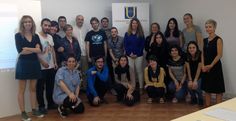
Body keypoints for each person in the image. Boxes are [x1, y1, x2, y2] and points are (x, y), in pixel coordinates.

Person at [15, 15, 44, 121]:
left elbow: (40, 50)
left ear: (32, 23)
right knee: (21, 90)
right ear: (22, 24)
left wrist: (27, 48)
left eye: (29, 21)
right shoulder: (18, 35)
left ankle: (34, 109)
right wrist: (34, 49)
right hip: (23, 64)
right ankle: (23, 112)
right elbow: (21, 51)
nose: (28, 23)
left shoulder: (35, 36)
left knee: (33, 89)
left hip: (34, 63)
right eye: (25, 22)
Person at [201, 19, 225, 107]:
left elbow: (219, 55)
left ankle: (218, 108)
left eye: (210, 27)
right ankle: (207, 107)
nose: (208, 29)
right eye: (206, 27)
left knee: (218, 89)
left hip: (215, 66)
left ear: (214, 28)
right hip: (206, 67)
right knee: (207, 89)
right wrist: (203, 65)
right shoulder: (204, 40)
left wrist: (211, 65)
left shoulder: (218, 40)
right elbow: (202, 54)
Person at [37, 18, 58, 114]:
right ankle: (41, 106)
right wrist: (42, 62)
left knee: (50, 86)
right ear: (41, 25)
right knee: (40, 88)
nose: (47, 27)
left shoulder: (50, 37)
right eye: (45, 25)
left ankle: (50, 104)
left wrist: (55, 62)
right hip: (41, 67)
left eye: (49, 25)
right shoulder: (36, 36)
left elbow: (52, 50)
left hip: (51, 66)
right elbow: (35, 52)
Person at [124, 18, 145, 93]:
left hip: (139, 56)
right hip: (129, 56)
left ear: (138, 24)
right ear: (131, 24)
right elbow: (125, 45)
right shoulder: (127, 34)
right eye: (133, 23)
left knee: (139, 71)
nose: (134, 24)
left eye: (136, 23)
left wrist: (136, 54)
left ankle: (141, 87)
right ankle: (133, 86)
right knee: (131, 71)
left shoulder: (141, 33)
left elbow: (142, 45)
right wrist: (130, 54)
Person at [73, 15, 89, 90]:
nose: (80, 21)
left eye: (82, 19)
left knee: (85, 72)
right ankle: (76, 89)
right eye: (79, 19)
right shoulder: (72, 29)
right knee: (75, 73)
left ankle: (85, 88)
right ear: (76, 20)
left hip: (85, 54)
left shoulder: (86, 29)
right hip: (75, 55)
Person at [186, 41, 203, 106]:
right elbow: (188, 69)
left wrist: (195, 80)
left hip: (199, 75)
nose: (191, 49)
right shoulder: (187, 55)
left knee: (196, 86)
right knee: (189, 85)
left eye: (193, 47)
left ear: (196, 48)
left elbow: (199, 69)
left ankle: (200, 99)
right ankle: (194, 99)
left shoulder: (200, 54)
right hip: (191, 75)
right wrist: (190, 80)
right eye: (190, 48)